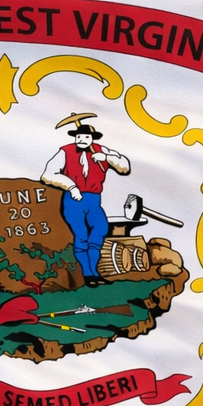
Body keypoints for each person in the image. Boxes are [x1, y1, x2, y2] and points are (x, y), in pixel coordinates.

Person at [41, 116, 130, 286]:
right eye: (79, 137)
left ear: (92, 138)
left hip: (94, 199)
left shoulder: (101, 150)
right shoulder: (65, 151)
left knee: (100, 228)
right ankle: (88, 275)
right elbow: (48, 174)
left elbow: (124, 166)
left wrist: (107, 158)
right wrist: (71, 186)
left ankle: (94, 272)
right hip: (74, 199)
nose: (82, 140)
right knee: (81, 235)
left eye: (86, 137)